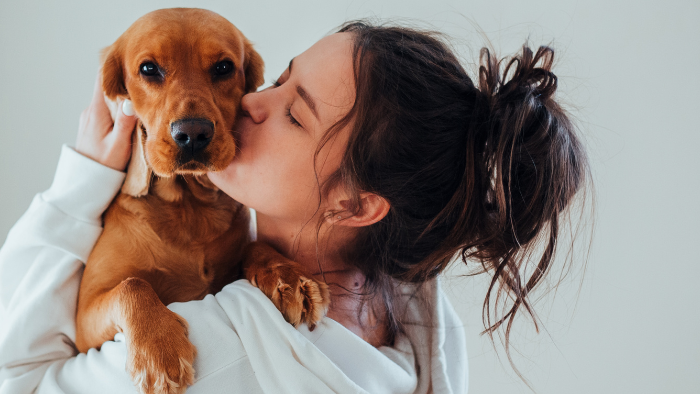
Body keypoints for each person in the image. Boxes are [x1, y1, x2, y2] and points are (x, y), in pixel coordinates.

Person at [0, 21, 589, 394]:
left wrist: (78, 184)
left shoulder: (223, 351)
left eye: (293, 113)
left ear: (354, 203)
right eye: (279, 79)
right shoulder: (420, 316)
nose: (252, 103)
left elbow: (17, 380)